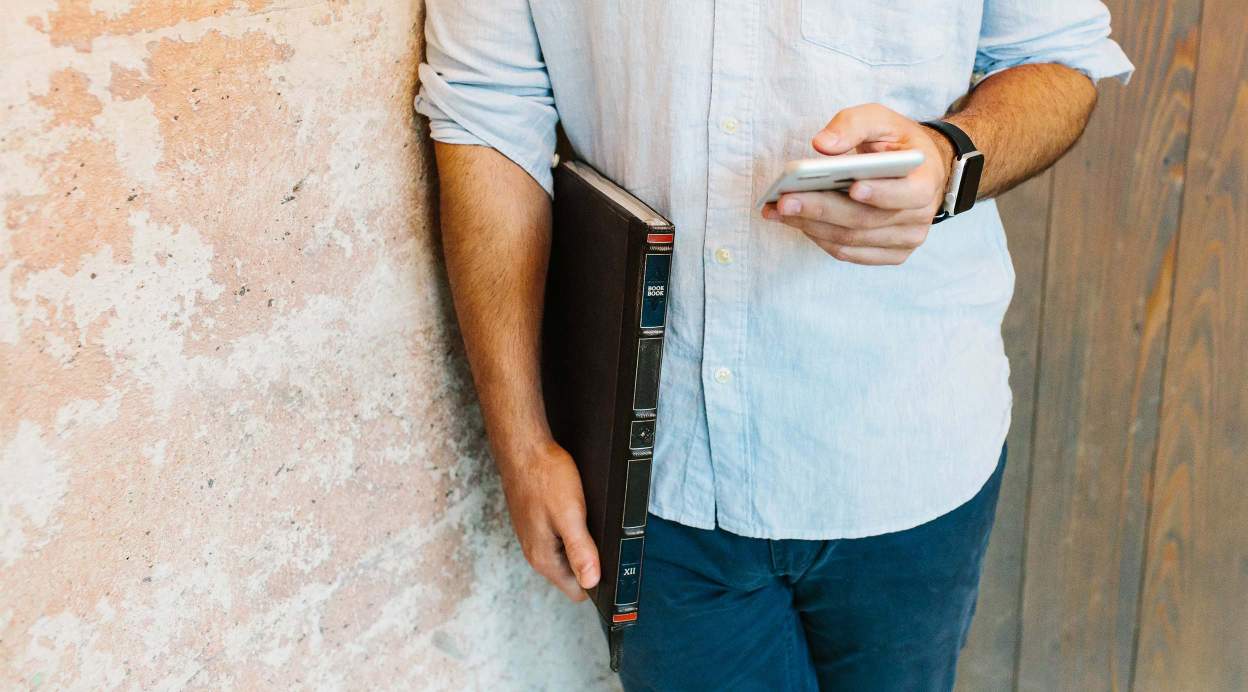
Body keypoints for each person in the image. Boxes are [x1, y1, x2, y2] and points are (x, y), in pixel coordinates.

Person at [416, 2, 1131, 689]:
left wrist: (948, 161)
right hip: (658, 478)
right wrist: (521, 445)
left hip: (910, 445)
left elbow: (1055, 59)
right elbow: (485, 114)